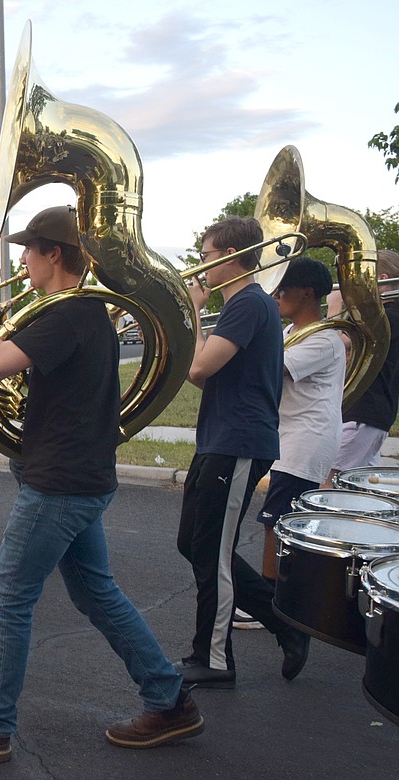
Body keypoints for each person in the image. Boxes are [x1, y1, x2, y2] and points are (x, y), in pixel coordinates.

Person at [0, 206, 201, 762]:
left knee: (8, 593)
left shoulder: (70, 314)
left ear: (54, 254)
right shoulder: (78, 314)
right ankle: (168, 700)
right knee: (95, 591)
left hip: (61, 482)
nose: (20, 260)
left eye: (29, 250)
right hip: (75, 474)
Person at [174, 216, 310, 688]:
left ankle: (212, 660)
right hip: (220, 440)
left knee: (212, 554)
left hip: (237, 443)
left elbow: (198, 368)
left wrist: (193, 310)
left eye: (207, 255)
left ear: (230, 257)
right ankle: (286, 622)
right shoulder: (246, 305)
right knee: (193, 544)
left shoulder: (249, 303)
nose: (202, 265)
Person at [250, 258, 344, 590]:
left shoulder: (324, 340)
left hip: (306, 441)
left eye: (282, 289)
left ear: (307, 293)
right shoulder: (292, 332)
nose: (275, 295)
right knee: (279, 518)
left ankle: (272, 596)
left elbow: (271, 369)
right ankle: (281, 594)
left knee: (278, 520)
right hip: (289, 436)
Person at [331, 249, 399, 470]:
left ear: (382, 279)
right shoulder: (383, 314)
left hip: (362, 414)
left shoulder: (388, 316)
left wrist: (334, 307)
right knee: (358, 491)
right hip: (368, 415)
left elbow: (335, 345)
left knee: (325, 483)